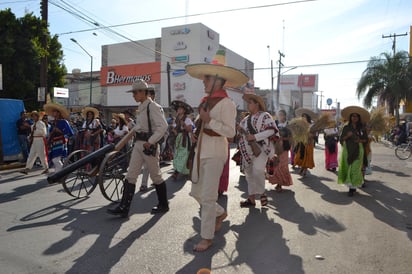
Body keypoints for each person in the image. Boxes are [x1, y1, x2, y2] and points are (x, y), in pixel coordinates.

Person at [185, 49, 249, 252]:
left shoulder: (227, 103)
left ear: (218, 81)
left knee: (209, 196)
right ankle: (220, 213)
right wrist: (197, 130)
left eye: (207, 79)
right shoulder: (205, 102)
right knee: (196, 192)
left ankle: (207, 237)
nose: (203, 82)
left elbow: (230, 132)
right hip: (201, 151)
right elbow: (204, 125)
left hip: (215, 153)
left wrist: (208, 120)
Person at [107, 79, 169, 217]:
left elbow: (163, 126)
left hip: (148, 146)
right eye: (133, 92)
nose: (133, 95)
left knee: (156, 176)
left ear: (143, 92)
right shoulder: (141, 107)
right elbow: (139, 127)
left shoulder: (153, 106)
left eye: (135, 92)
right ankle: (124, 207)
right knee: (131, 175)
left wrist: (151, 141)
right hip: (138, 144)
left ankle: (164, 204)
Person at [238, 92, 277, 207]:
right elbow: (240, 135)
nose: (248, 105)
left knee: (258, 170)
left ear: (257, 104)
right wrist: (239, 131)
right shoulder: (244, 120)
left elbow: (271, 131)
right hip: (247, 151)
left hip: (261, 149)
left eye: (250, 102)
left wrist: (254, 137)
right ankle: (251, 199)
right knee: (249, 174)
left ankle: (262, 192)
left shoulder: (265, 116)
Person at [338, 106, 370, 196]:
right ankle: (353, 186)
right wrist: (347, 136)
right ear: (350, 117)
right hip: (348, 150)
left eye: (356, 116)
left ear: (359, 118)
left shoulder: (362, 128)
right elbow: (341, 140)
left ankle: (352, 188)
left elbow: (366, 140)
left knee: (355, 169)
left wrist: (360, 140)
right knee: (349, 168)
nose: (354, 118)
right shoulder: (346, 127)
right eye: (353, 116)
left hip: (359, 150)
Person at [44, 103, 74, 173]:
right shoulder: (53, 122)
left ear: (59, 113)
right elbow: (50, 132)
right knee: (55, 159)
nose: (54, 113)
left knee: (56, 159)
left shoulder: (64, 122)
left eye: (56, 112)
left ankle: (60, 173)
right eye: (53, 112)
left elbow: (70, 133)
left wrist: (59, 131)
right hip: (54, 142)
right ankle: (58, 173)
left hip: (61, 142)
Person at [170, 100, 194, 180]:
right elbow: (175, 130)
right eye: (178, 109)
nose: (178, 110)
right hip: (178, 139)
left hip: (184, 139)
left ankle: (176, 172)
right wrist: (173, 130)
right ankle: (180, 170)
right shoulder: (176, 119)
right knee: (177, 155)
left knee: (183, 154)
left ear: (184, 110)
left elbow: (190, 129)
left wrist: (183, 124)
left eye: (180, 109)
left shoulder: (187, 119)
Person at [293, 108, 318, 177]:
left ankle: (304, 170)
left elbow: (315, 134)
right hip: (302, 143)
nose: (303, 118)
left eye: (305, 116)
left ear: (307, 117)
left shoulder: (312, 125)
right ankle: (302, 167)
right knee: (300, 156)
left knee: (307, 156)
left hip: (309, 143)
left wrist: (310, 135)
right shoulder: (300, 125)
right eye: (302, 116)